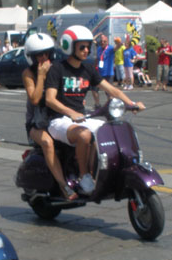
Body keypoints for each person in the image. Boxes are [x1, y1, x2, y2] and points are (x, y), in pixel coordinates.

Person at [45, 26, 144, 195]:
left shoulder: (88, 69)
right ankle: (84, 176)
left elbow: (112, 90)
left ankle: (104, 171)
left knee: (108, 131)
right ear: (70, 47)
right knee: (84, 135)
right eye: (82, 47)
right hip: (59, 120)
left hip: (80, 118)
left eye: (88, 47)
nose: (86, 50)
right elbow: (49, 99)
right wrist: (71, 113)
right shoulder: (58, 69)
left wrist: (131, 103)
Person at [22, 33, 76, 200]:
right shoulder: (28, 74)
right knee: (47, 142)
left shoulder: (57, 68)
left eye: (46, 53)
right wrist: (41, 76)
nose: (44, 57)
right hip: (36, 123)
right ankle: (63, 185)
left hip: (56, 118)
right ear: (31, 57)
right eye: (39, 54)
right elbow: (35, 98)